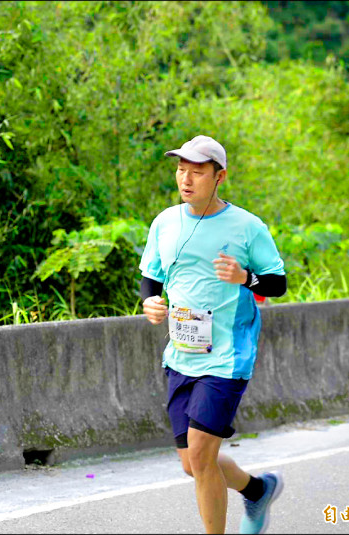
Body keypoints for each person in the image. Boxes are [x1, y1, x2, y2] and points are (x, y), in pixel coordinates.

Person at [139, 135, 288, 534]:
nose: (186, 180)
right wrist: (150, 303)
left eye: (197, 172)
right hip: (181, 355)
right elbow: (150, 276)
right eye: (180, 170)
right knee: (193, 463)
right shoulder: (165, 222)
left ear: (220, 176)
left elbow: (277, 282)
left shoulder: (247, 227)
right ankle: (256, 490)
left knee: (203, 456)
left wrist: (246, 277)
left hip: (227, 357)